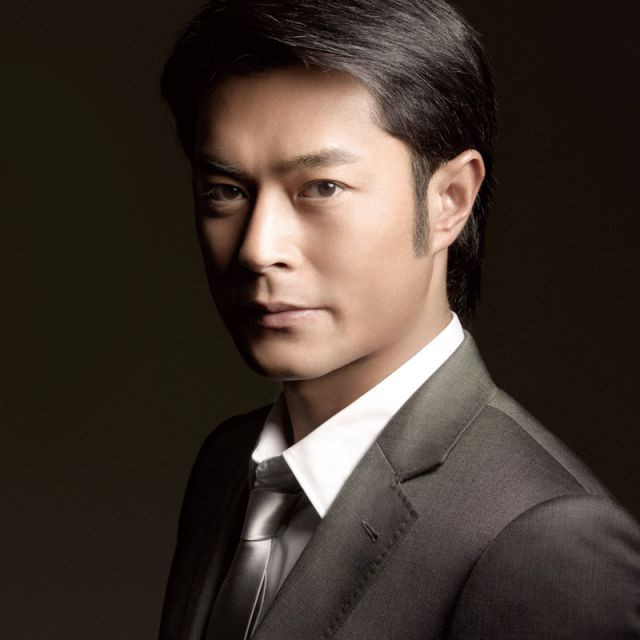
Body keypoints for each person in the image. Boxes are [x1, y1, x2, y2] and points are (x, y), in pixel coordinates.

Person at [158, 1, 640, 638]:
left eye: (321, 187)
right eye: (226, 191)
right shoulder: (226, 466)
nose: (257, 248)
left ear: (450, 200)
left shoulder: (546, 544)